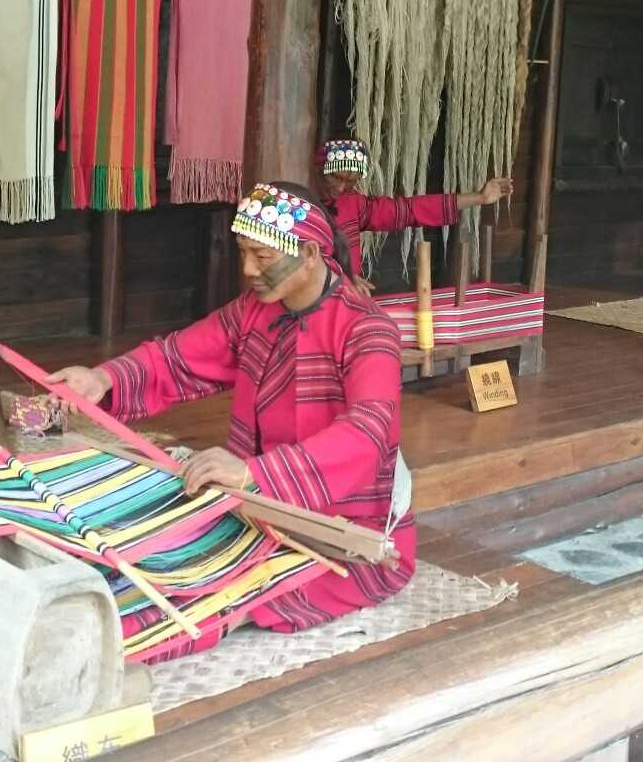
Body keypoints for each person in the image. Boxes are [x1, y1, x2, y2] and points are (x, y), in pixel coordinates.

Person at [47, 181, 414, 657]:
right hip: (254, 508)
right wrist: (103, 378)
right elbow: (178, 357)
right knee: (146, 550)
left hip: (342, 534)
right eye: (243, 252)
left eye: (262, 256)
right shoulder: (253, 313)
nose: (247, 270)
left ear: (309, 254)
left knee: (217, 597)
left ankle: (92, 650)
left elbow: (366, 435)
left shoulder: (367, 330)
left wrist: (253, 474)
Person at [317, 138, 512, 287]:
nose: (341, 188)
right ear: (319, 169)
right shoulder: (301, 206)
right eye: (335, 178)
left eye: (350, 182)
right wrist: (340, 279)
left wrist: (478, 198)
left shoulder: (353, 204)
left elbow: (411, 210)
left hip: (346, 301)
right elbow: (305, 261)